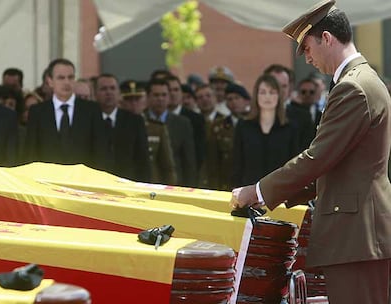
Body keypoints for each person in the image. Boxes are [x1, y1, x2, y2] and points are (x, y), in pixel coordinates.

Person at [231, 1, 391, 303]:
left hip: (357, 235)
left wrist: (258, 191)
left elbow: (318, 157)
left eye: (307, 48)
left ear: (327, 39)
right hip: (359, 234)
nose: (307, 58)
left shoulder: (352, 88)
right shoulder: (360, 81)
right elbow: (340, 165)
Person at [25, 58, 107, 169]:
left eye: (70, 77)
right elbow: (31, 151)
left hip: (82, 179)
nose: (66, 82)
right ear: (50, 81)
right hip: (48, 179)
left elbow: (100, 150)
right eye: (61, 78)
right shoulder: (38, 112)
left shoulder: (91, 110)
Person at [232, 74, 299, 188]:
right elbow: (237, 164)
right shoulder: (243, 126)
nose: (267, 97)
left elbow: (293, 166)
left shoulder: (290, 128)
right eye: (263, 92)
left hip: (279, 193)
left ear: (279, 96)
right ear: (256, 96)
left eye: (272, 92)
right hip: (248, 192)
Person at [95, 74, 150, 182]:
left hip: (128, 182)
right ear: (95, 93)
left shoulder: (134, 120)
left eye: (112, 88)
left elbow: (143, 158)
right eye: (103, 89)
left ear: (119, 93)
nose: (108, 92)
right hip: (97, 183)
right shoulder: (89, 118)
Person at [120, 80, 177, 185]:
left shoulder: (156, 128)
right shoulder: (116, 127)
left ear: (145, 100)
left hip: (151, 186)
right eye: (129, 99)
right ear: (121, 102)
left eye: (137, 99)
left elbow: (167, 166)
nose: (134, 103)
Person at [144, 78, 197, 187]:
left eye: (164, 95)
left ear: (169, 97)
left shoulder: (182, 123)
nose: (160, 99)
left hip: (175, 184)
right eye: (156, 95)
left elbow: (188, 160)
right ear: (148, 97)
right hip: (147, 183)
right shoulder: (140, 121)